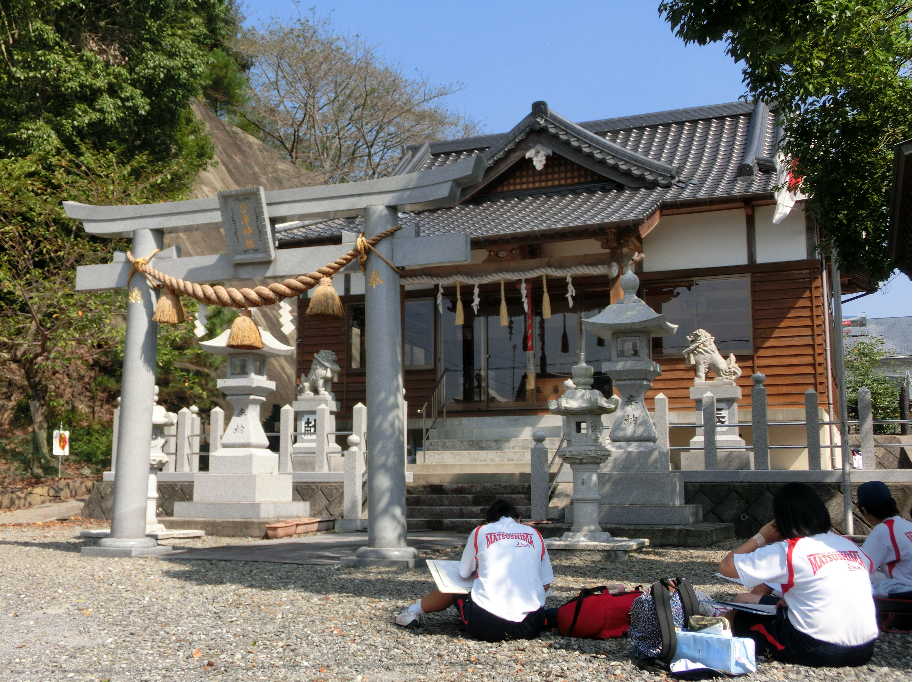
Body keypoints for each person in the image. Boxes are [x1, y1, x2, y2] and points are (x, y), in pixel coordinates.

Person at [717, 482, 878, 667]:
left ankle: (716, 634)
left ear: (780, 520)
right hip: (865, 649)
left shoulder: (790, 549)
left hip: (818, 647)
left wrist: (762, 537)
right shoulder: (848, 545)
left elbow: (726, 566)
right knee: (744, 599)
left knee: (742, 616)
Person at [395, 499, 554, 642]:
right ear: (518, 519)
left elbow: (464, 572)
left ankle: (413, 611)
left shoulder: (481, 531)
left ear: (488, 522)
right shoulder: (535, 534)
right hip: (531, 626)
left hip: (487, 626)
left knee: (454, 584)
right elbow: (545, 584)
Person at [857, 480, 912, 597]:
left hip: (905, 594)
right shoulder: (908, 525)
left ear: (864, 510)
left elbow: (860, 568)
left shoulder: (884, 529)